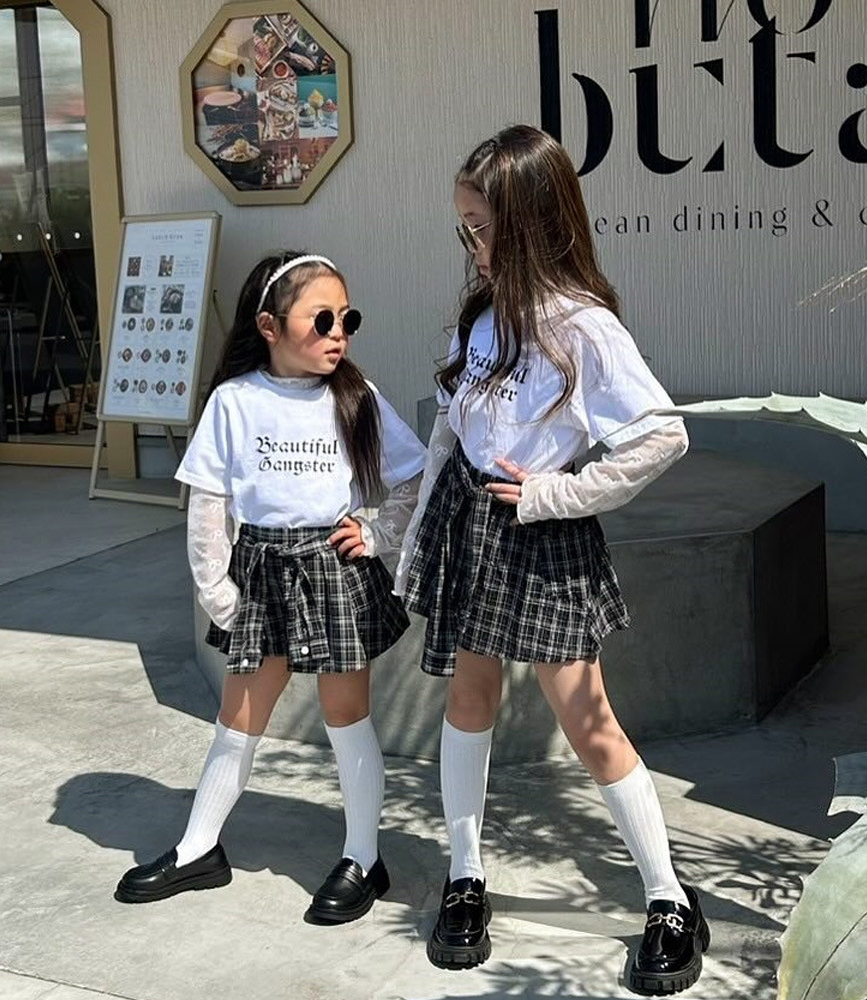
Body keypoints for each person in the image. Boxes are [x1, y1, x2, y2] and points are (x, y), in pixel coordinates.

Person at [397, 126, 710, 995]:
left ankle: (668, 898)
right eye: (464, 228)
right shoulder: (484, 316)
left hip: (539, 533)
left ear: (531, 223)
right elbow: (449, 432)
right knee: (468, 699)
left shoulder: (583, 327)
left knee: (588, 719)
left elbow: (661, 437)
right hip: (470, 527)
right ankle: (465, 877)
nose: (471, 244)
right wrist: (413, 534)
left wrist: (555, 493)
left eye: (481, 227)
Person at [115, 252, 425, 926]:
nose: (338, 334)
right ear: (269, 325)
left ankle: (363, 858)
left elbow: (414, 474)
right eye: (321, 320)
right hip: (260, 572)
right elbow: (208, 505)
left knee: (348, 717)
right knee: (239, 718)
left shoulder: (356, 397)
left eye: (347, 319)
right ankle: (199, 848)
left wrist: (377, 533)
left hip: (332, 571)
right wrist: (217, 591)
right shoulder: (235, 401)